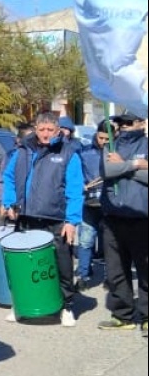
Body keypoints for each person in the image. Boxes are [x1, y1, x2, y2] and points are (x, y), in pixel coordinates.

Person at [2, 112, 83, 327]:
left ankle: (66, 306)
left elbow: (75, 190)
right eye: (42, 129)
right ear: (35, 129)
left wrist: (71, 221)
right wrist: (10, 202)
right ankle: (21, 303)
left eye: (50, 130)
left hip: (55, 218)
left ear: (57, 130)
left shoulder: (68, 153)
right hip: (26, 216)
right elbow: (9, 177)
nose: (46, 134)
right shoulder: (22, 151)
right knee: (24, 263)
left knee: (62, 263)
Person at [97, 112, 148, 336]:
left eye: (129, 122)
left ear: (142, 123)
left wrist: (126, 166)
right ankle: (122, 314)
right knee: (116, 271)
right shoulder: (111, 145)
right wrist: (138, 165)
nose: (124, 126)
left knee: (145, 270)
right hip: (113, 218)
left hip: (141, 217)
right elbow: (108, 170)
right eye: (121, 123)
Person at [76, 120, 113, 290]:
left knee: (109, 242)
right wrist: (81, 185)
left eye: (107, 138)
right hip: (89, 203)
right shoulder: (84, 153)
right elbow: (76, 175)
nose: (104, 141)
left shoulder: (116, 154)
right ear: (96, 135)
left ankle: (110, 277)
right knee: (85, 240)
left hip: (110, 205)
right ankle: (84, 275)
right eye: (101, 137)